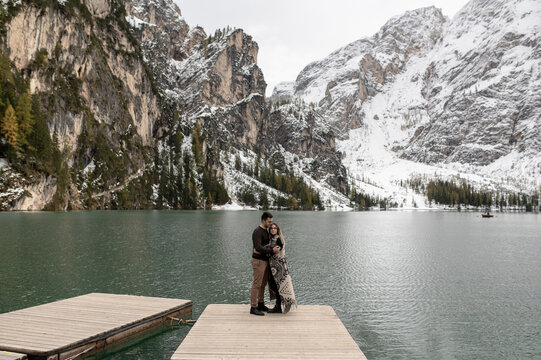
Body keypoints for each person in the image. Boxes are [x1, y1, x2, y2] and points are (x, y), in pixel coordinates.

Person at [250, 212, 280, 316]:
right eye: (269, 221)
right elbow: (258, 247)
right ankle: (253, 307)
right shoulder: (257, 231)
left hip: (265, 261)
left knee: (263, 284)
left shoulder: (266, 231)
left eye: (271, 221)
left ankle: (261, 304)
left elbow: (262, 247)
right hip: (258, 261)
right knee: (257, 284)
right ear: (263, 220)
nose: (271, 224)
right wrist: (272, 250)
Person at [267, 223, 297, 313]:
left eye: (274, 228)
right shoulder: (271, 239)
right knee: (274, 285)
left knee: (279, 285)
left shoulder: (278, 239)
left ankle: (281, 305)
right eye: (271, 228)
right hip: (273, 267)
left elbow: (276, 251)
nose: (273, 229)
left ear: (277, 230)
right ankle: (279, 305)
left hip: (280, 267)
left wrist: (266, 251)